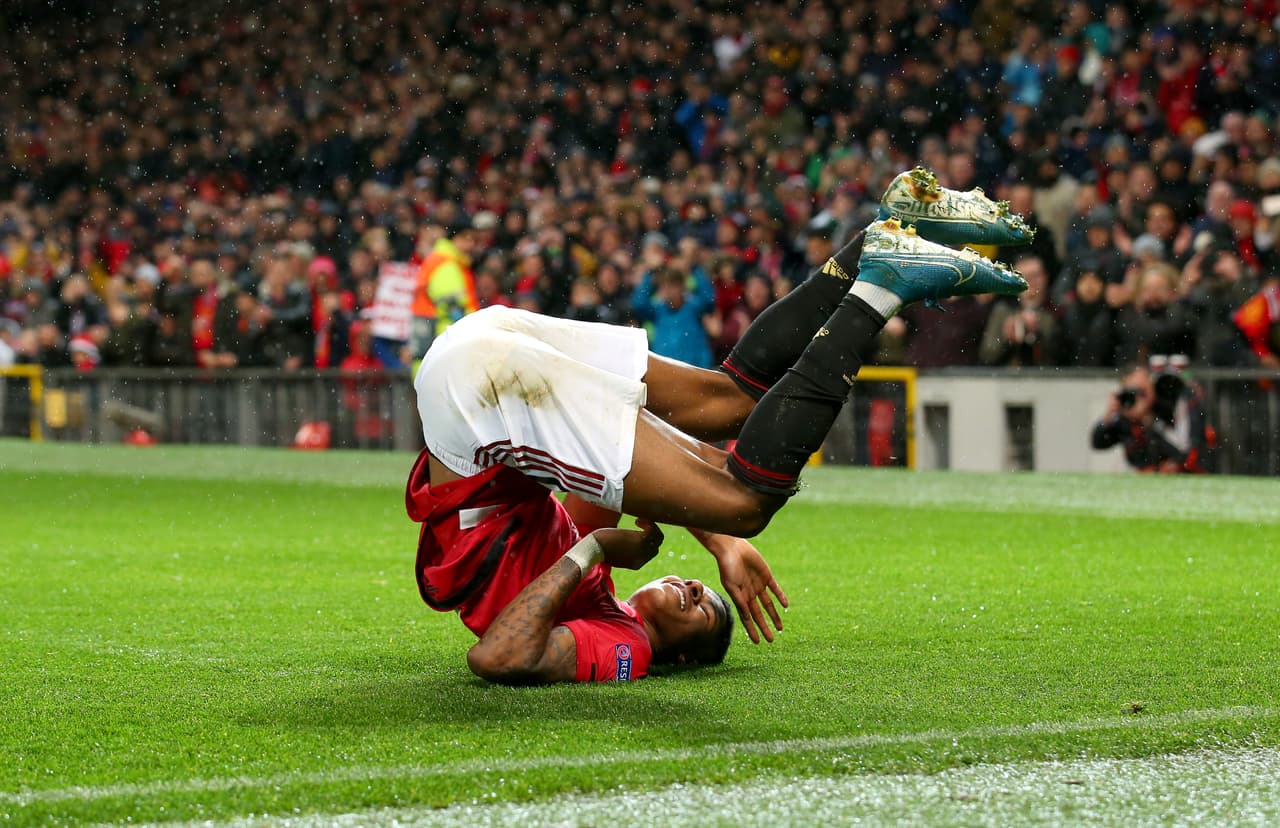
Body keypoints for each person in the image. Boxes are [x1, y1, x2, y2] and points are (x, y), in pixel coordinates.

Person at [406, 169, 1032, 685]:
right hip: (484, 365)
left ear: (679, 656)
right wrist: (717, 542)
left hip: (478, 384)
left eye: (701, 609)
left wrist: (598, 548)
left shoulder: (616, 626)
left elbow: (498, 657)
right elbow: (660, 460)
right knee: (727, 405)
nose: (695, 593)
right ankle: (878, 243)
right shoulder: (591, 582)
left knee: (744, 501)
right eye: (709, 597)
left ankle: (879, 284)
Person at [1090, 359, 1215, 473]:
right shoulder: (1127, 413)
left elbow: (1186, 452)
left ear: (1152, 385)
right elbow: (1098, 443)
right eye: (1132, 393)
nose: (1139, 399)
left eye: (1142, 392)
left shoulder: (1171, 402)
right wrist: (1108, 416)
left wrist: (1150, 421)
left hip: (1184, 474)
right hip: (1147, 480)